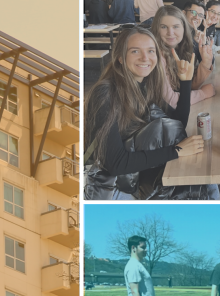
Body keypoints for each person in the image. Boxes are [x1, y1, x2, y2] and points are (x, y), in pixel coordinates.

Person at [84, 27, 213, 200]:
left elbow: (175, 125)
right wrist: (176, 151)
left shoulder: (145, 85)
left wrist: (185, 82)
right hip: (110, 188)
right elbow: (115, 163)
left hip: (135, 175)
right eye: (135, 51)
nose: (145, 58)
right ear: (120, 57)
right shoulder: (105, 94)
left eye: (150, 51)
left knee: (208, 185)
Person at [151, 6, 216, 108]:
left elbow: (188, 86)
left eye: (176, 26)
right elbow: (171, 102)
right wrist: (203, 93)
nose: (170, 32)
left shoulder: (180, 48)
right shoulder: (155, 55)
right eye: (163, 27)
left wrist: (206, 63)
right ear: (156, 29)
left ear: (184, 28)